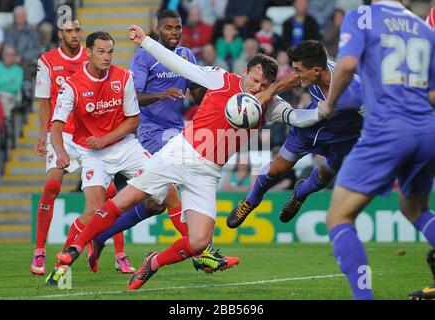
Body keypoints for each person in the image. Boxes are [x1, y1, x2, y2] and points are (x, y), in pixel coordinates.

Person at [53, 24, 327, 290]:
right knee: (126, 200)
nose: (257, 88)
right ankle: (75, 249)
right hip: (179, 152)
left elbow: (297, 118)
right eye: (254, 80)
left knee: (198, 242)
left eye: (264, 84)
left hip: (207, 173)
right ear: (244, 72)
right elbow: (181, 66)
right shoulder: (221, 79)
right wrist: (146, 42)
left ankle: (153, 262)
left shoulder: (272, 105)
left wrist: (322, 113)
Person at [88, 9, 239, 274]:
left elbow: (197, 90)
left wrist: (222, 109)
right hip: (150, 131)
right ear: (157, 30)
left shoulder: (186, 55)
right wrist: (161, 95)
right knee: (173, 191)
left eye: (178, 28)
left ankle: (99, 236)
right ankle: (203, 252)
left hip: (177, 132)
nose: (174, 32)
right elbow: (133, 95)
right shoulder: (144, 56)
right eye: (168, 28)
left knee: (154, 204)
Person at [318, 0, 435, 300]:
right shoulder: (424, 27)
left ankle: (364, 298)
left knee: (339, 217)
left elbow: (345, 64)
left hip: (386, 130)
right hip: (427, 130)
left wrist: (329, 105)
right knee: (415, 209)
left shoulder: (363, 16)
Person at [44, 31, 166, 283]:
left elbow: (133, 121)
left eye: (110, 51)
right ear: (88, 52)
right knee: (93, 211)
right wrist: (61, 152)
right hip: (92, 154)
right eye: (101, 51)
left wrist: (106, 138)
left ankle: (199, 250)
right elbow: (55, 127)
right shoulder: (72, 85)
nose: (107, 57)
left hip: (125, 147)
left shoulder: (123, 77)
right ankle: (61, 267)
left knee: (163, 195)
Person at [226, 40, 364, 229]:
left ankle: (300, 195)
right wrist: (271, 91)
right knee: (277, 169)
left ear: (316, 70)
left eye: (299, 70)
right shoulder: (316, 70)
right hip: (309, 127)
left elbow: (377, 117)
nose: (296, 74)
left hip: (344, 137)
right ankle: (251, 199)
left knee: (324, 177)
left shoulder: (355, 93)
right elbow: (294, 78)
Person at [31, 21, 131, 276]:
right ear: (60, 33)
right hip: (63, 134)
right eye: (69, 31)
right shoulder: (48, 61)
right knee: (53, 186)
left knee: (108, 194)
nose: (75, 34)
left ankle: (119, 253)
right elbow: (45, 103)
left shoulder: (100, 62)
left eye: (78, 30)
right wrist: (44, 136)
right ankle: (40, 253)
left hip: (88, 135)